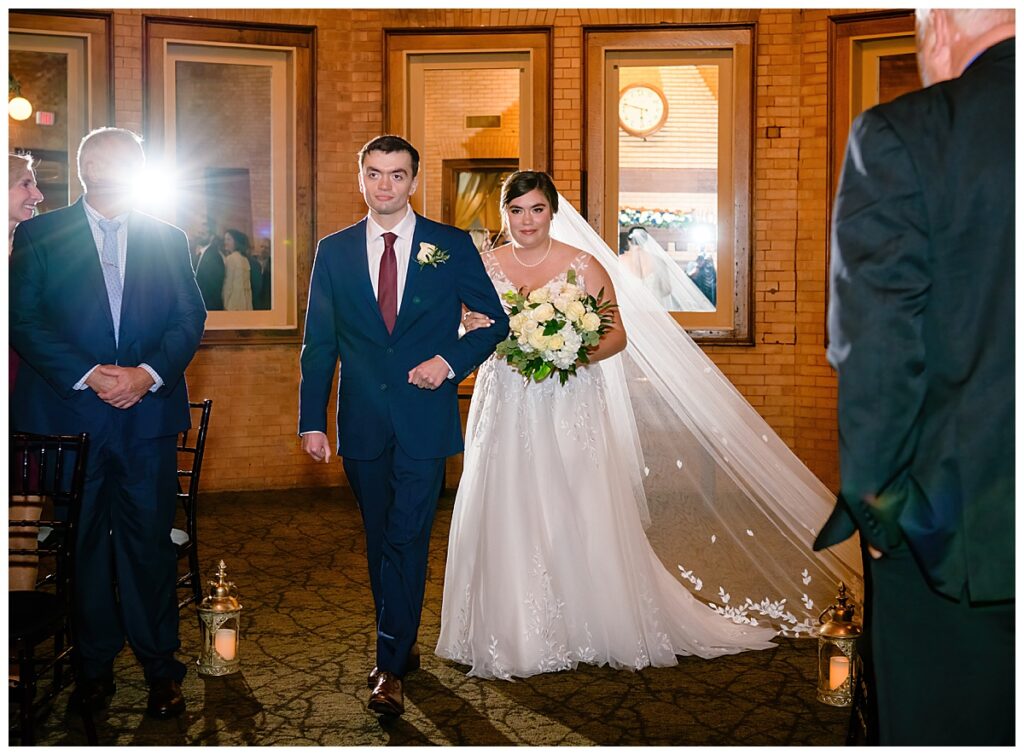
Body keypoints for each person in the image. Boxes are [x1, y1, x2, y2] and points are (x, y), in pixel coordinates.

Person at [437, 171, 861, 680]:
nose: (527, 221)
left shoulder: (584, 263)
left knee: (572, 498)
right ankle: (510, 627)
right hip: (505, 399)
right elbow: (465, 325)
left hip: (567, 397)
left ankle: (587, 619)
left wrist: (565, 351)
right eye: (517, 210)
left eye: (537, 209)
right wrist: (480, 332)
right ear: (504, 215)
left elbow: (615, 336)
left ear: (553, 211)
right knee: (506, 501)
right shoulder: (481, 266)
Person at [814, 9, 1014, 746]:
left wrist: (877, 509)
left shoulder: (907, 133)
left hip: (962, 531)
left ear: (937, 29)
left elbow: (876, 349)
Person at [298, 135, 509, 717]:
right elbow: (319, 344)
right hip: (361, 423)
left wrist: (449, 363)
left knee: (407, 537)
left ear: (414, 181)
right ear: (360, 178)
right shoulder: (333, 251)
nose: (385, 185)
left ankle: (388, 665)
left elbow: (495, 323)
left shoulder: (448, 244)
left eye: (397, 174)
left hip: (423, 420)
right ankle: (402, 637)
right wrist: (310, 421)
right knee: (378, 540)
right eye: (374, 173)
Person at [9, 127, 207, 719]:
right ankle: (91, 670)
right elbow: (24, 319)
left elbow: (187, 316)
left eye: (116, 156)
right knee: (84, 549)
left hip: (146, 418)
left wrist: (146, 374)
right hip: (72, 418)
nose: (101, 163)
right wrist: (92, 374)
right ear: (81, 166)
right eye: (91, 156)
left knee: (149, 546)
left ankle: (160, 669)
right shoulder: (42, 234)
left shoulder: (168, 238)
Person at [8, 153, 45, 592]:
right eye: (24, 184)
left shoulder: (31, 258)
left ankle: (16, 656)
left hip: (25, 420)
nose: (37, 194)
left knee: (22, 537)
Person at [619, 225, 714, 311]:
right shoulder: (658, 260)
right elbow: (667, 289)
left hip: (629, 309)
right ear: (647, 240)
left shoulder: (620, 260)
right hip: (654, 309)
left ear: (628, 240)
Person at [192, 219, 225, 311]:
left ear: (211, 237)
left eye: (203, 234)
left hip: (209, 306)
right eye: (200, 233)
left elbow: (213, 287)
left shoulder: (214, 256)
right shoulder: (201, 253)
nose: (200, 235)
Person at [221, 228, 253, 310]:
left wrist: (224, 303)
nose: (225, 242)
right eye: (225, 239)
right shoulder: (245, 260)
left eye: (228, 239)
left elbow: (228, 285)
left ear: (236, 242)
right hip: (246, 304)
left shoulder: (230, 259)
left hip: (233, 304)